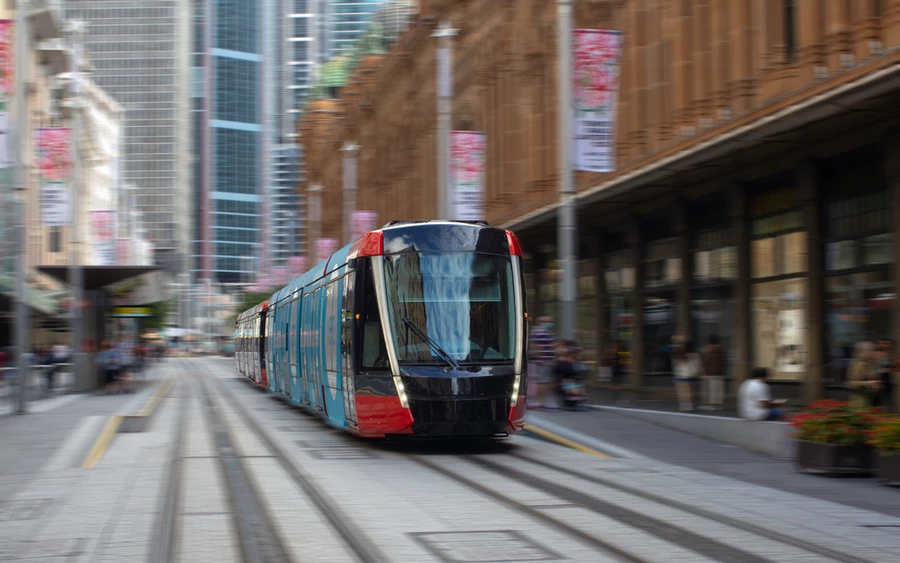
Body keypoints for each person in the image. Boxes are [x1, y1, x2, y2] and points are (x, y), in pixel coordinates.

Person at [528, 316, 556, 409]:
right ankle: (541, 401)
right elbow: (536, 345)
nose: (550, 323)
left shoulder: (544, 331)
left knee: (545, 381)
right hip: (544, 360)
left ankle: (542, 401)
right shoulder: (540, 331)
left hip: (545, 360)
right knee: (543, 381)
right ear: (542, 322)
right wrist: (542, 357)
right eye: (549, 321)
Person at [849, 341, 880, 407]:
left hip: (869, 398)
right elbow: (852, 382)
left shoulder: (870, 364)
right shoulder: (858, 365)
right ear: (864, 352)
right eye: (871, 350)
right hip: (860, 400)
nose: (874, 352)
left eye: (873, 350)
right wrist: (869, 383)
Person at [673, 340, 702, 412]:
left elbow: (677, 365)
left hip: (681, 375)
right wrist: (697, 373)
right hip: (692, 376)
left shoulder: (682, 354)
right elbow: (698, 365)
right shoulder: (695, 355)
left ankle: (683, 406)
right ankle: (690, 406)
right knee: (691, 392)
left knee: (682, 392)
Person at [700, 335, 725, 411]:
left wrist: (705, 371)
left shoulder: (707, 350)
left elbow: (705, 362)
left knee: (711, 390)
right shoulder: (721, 350)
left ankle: (712, 405)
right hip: (720, 372)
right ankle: (719, 405)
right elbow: (723, 361)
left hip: (710, 373)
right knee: (719, 389)